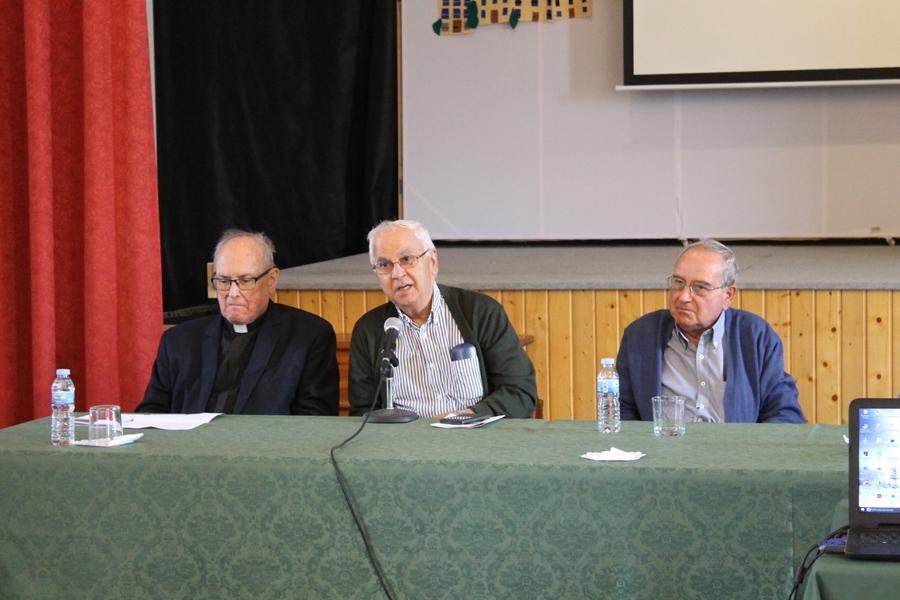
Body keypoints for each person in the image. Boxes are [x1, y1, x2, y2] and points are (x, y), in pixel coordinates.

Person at [348, 219, 537, 418]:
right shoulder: (368, 330)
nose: (397, 274)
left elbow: (520, 391)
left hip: (474, 439)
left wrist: (467, 416)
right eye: (384, 264)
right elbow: (363, 412)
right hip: (405, 444)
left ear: (433, 261)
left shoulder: (481, 313)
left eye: (406, 259)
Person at [137, 229, 339, 415]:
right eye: (223, 281)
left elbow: (315, 419)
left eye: (245, 281)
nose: (233, 293)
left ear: (271, 280)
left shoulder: (308, 336)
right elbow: (151, 414)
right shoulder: (179, 341)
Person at [617, 239, 805, 423]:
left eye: (700, 287)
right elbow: (623, 409)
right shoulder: (641, 336)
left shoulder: (756, 337)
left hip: (735, 451)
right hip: (665, 450)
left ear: (728, 296)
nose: (683, 297)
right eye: (678, 282)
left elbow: (784, 413)